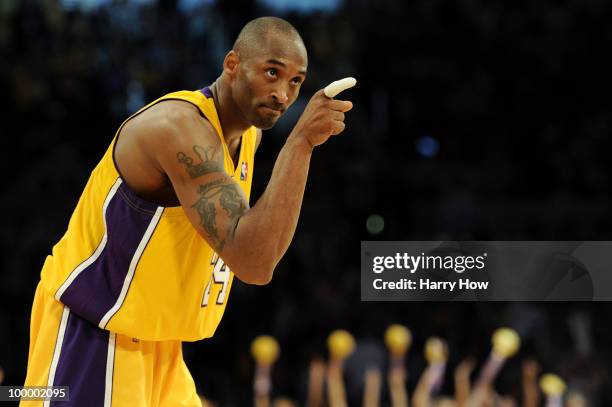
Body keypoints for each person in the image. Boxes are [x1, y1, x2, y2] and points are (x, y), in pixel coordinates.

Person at [21, 16, 353, 406]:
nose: (282, 93)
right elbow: (254, 261)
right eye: (271, 72)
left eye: (295, 81)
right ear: (232, 65)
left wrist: (299, 146)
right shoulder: (180, 129)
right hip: (95, 331)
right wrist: (299, 145)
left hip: (159, 342)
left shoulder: (249, 137)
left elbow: (260, 253)